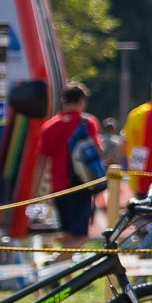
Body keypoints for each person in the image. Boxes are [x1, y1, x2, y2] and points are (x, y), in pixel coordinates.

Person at [34, 82, 100, 248]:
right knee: (79, 237)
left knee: (68, 235)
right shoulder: (87, 123)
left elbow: (41, 160)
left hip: (57, 186)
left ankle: (68, 273)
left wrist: (35, 190)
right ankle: (51, 270)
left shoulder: (49, 126)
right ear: (81, 101)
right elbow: (97, 150)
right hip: (80, 186)